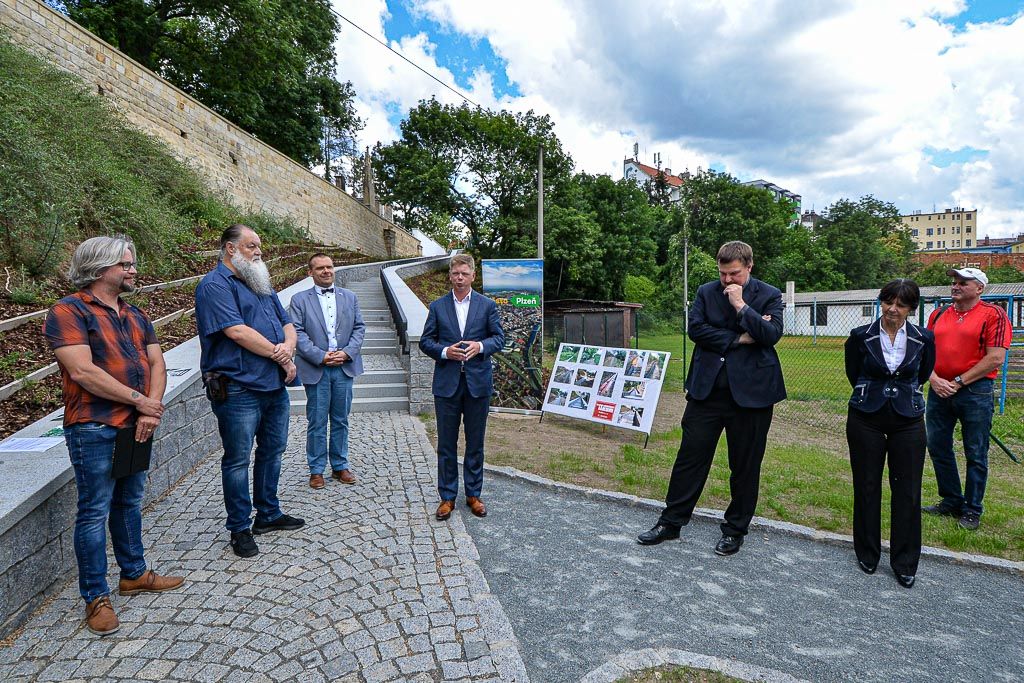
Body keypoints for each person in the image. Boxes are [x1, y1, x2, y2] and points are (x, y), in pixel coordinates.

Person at [44, 236, 184, 636]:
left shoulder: (136, 314)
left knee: (129, 502)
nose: (133, 270)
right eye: (126, 264)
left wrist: (150, 410)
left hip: (138, 424)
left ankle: (134, 574)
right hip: (94, 426)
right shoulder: (68, 312)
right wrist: (141, 402)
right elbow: (83, 372)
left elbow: (158, 362)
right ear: (100, 267)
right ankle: (95, 596)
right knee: (94, 511)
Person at [638, 241, 785, 555]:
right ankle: (671, 522)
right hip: (708, 391)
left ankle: (735, 530)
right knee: (690, 458)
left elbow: (771, 336)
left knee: (745, 466)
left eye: (734, 274)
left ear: (749, 266)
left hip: (752, 397)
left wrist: (742, 307)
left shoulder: (769, 295)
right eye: (723, 274)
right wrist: (741, 337)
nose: (728, 281)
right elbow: (697, 330)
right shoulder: (706, 292)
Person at [195, 224, 305, 558]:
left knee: (274, 449)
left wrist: (287, 348)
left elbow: (287, 324)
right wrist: (280, 355)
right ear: (230, 249)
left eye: (258, 246)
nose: (258, 252)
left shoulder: (259, 282)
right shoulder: (214, 286)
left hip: (273, 384)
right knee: (238, 458)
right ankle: (240, 527)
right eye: (251, 246)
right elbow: (237, 331)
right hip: (239, 387)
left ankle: (268, 514)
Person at [844, 279, 935, 589]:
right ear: (880, 302)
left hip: (908, 419)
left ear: (911, 308)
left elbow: (922, 375)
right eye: (888, 302)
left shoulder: (924, 338)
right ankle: (867, 553)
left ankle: (905, 561)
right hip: (865, 417)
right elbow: (853, 373)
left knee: (908, 490)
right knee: (867, 484)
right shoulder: (860, 336)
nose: (893, 309)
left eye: (901, 304)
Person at [923, 267, 1011, 531]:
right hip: (939, 390)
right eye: (954, 281)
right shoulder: (938, 314)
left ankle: (972, 509)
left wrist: (959, 382)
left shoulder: (993, 314)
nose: (956, 286)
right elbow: (924, 351)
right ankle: (951, 500)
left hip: (975, 391)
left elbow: (995, 357)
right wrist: (935, 379)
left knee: (975, 451)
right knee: (937, 445)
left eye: (963, 282)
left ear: (979, 288)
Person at [419, 254, 504, 521]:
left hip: (478, 384)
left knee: (475, 442)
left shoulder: (487, 305)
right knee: (446, 444)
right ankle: (447, 497)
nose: (459, 278)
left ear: (472, 276)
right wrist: (445, 351)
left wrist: (480, 347)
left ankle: (473, 494)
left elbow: (499, 338)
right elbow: (425, 341)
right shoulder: (437, 306)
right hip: (447, 384)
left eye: (464, 274)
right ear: (450, 275)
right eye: (455, 274)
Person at [288, 253, 366, 489]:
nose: (326, 271)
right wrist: (320, 356)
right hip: (316, 368)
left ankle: (340, 465)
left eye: (329, 267)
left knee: (341, 419)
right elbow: (297, 332)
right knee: (317, 420)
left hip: (344, 367)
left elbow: (359, 327)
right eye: (320, 268)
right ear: (310, 272)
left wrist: (347, 353)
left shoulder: (349, 297)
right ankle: (316, 469)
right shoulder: (299, 299)